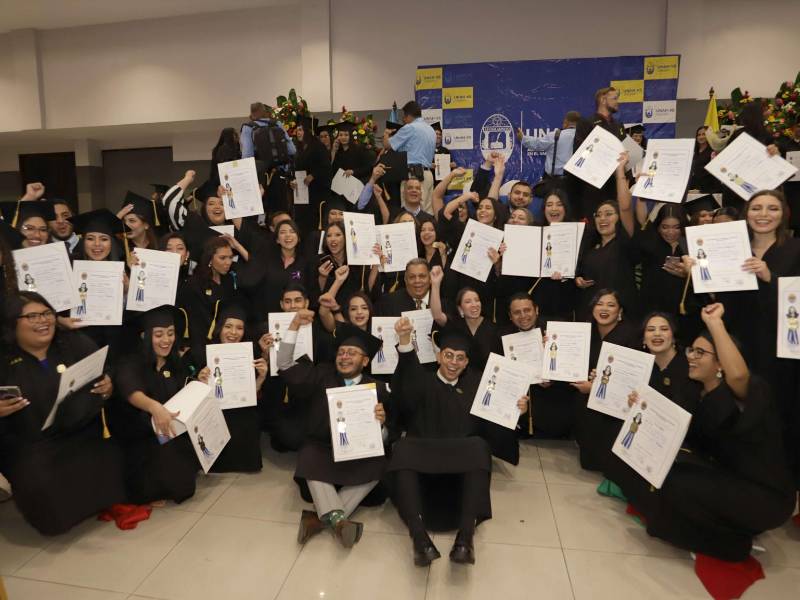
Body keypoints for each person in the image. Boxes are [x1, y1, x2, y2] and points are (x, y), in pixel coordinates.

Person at [611, 303, 795, 562]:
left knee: (675, 484)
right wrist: (641, 408)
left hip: (765, 496)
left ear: (720, 363)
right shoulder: (698, 393)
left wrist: (715, 323)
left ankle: (734, 545)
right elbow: (680, 432)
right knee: (667, 481)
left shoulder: (750, 393)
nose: (691, 357)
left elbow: (739, 376)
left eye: (701, 352)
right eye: (691, 350)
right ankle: (728, 531)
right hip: (732, 480)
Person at [389, 319, 526, 566]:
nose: (453, 362)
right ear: (439, 356)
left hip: (461, 457)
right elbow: (406, 380)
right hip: (424, 452)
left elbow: (493, 426)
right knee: (402, 448)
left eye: (460, 358)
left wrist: (515, 411)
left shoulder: (478, 386)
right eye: (449, 355)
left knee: (479, 447)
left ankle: (465, 539)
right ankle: (419, 539)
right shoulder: (423, 381)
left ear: (467, 362)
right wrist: (405, 341)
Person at [0, 292, 125, 535]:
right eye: (32, 316)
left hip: (78, 431)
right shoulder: (3, 358)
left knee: (111, 464)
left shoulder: (74, 342)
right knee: (47, 499)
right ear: (12, 322)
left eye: (47, 313)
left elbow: (105, 368)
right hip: (30, 445)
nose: (42, 321)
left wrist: (108, 384)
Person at [277, 315, 391, 548]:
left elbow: (387, 437)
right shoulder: (321, 375)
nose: (345, 357)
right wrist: (294, 326)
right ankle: (339, 521)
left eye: (352, 353)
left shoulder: (378, 389)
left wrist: (381, 424)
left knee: (381, 463)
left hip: (357, 454)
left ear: (366, 361)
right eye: (341, 352)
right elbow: (285, 364)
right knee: (308, 453)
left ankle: (321, 518)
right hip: (323, 450)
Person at [110, 305, 199, 504]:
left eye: (170, 333)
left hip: (168, 432)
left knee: (184, 481)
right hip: (140, 435)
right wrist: (154, 407)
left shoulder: (175, 363)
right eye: (158, 335)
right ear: (144, 336)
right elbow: (131, 391)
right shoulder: (130, 362)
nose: (166, 340)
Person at [572, 289, 639, 471]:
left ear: (620, 311)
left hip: (618, 404)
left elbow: (631, 378)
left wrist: (594, 387)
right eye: (599, 304)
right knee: (588, 463)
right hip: (588, 398)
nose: (604, 309)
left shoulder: (630, 335)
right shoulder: (587, 331)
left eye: (611, 305)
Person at [197, 302, 268, 473]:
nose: (234, 333)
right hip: (212, 409)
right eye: (228, 326)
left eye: (239, 328)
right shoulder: (202, 352)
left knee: (248, 417)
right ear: (219, 327)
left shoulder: (248, 354)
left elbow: (253, 394)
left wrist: (261, 377)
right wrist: (200, 382)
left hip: (240, 408)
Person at [575, 153, 637, 321]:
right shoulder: (590, 247)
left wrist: (620, 172)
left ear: (619, 218)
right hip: (590, 314)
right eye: (599, 215)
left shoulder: (624, 243)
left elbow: (625, 207)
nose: (602, 219)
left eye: (609, 214)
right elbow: (581, 274)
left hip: (619, 316)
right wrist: (579, 280)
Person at [571, 87, 627, 218]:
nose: (617, 102)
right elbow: (579, 154)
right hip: (593, 186)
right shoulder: (586, 123)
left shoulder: (619, 125)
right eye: (614, 98)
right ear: (603, 100)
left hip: (615, 185)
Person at [430, 267, 502, 366]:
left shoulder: (493, 328)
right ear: (460, 309)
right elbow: (437, 315)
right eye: (468, 302)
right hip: (457, 377)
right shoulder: (455, 324)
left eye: (476, 300)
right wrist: (435, 284)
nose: (474, 304)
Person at [518, 110, 581, 200]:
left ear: (565, 122)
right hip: (576, 184)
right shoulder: (585, 137)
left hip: (555, 183)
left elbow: (537, 144)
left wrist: (523, 138)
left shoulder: (555, 136)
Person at [387, 101, 436, 213]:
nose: (403, 120)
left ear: (408, 115)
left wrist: (386, 135)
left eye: (404, 117)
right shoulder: (431, 130)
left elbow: (388, 145)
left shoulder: (409, 128)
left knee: (410, 212)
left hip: (413, 175)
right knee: (427, 213)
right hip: (428, 175)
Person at [291, 115, 332, 233]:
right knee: (301, 225)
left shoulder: (318, 147)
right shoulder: (298, 148)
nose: (297, 133)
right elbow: (295, 170)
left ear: (308, 131)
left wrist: (314, 175)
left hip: (316, 194)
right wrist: (292, 181)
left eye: (300, 130)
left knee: (313, 226)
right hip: (301, 196)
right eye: (297, 130)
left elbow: (326, 168)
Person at [689, 126, 718, 192]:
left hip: (708, 187)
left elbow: (713, 171)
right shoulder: (693, 151)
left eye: (704, 134)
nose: (701, 137)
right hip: (694, 186)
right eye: (699, 135)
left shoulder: (713, 151)